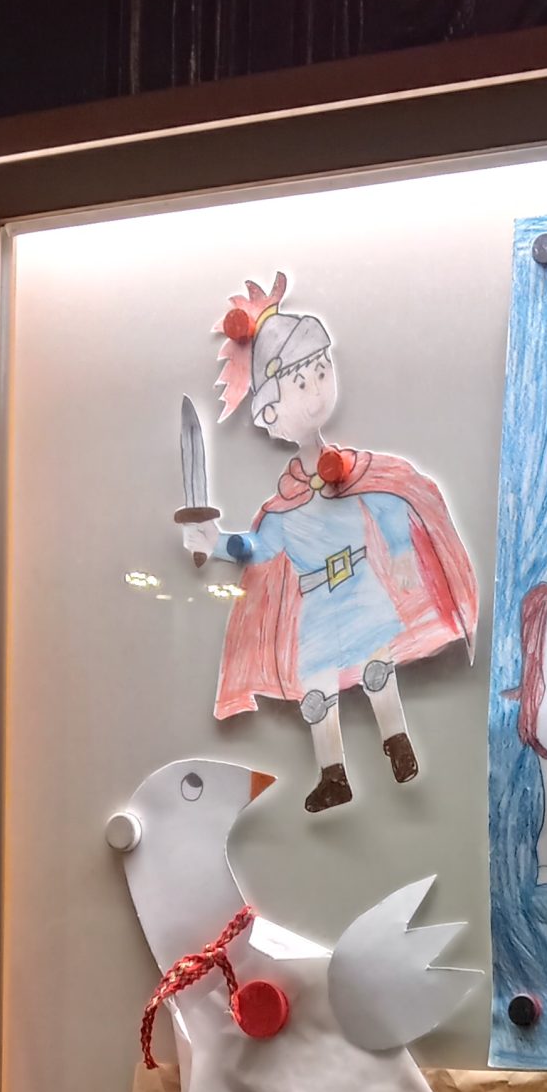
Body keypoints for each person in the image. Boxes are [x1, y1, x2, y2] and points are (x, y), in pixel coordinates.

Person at [180, 273, 478, 815]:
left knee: (377, 669)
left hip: (362, 588)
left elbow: (389, 505)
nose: (316, 388)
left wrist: (402, 551)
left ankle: (398, 745)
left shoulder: (356, 472)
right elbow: (259, 549)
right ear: (270, 413)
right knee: (317, 694)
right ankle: (333, 775)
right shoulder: (284, 503)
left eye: (321, 371)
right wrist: (216, 542)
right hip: (316, 607)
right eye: (301, 381)